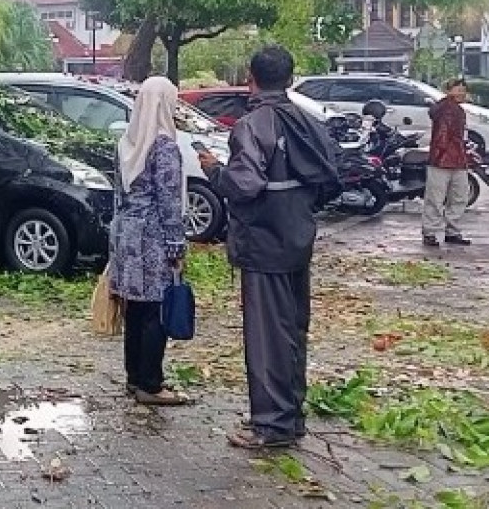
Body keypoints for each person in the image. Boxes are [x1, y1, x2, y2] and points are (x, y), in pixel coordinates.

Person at [197, 46, 339, 449]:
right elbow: (329, 181)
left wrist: (214, 171)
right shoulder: (310, 123)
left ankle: (271, 426)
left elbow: (244, 185)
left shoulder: (252, 124)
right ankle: (291, 417)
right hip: (298, 239)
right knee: (293, 330)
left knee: (266, 336)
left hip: (263, 244)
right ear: (291, 80)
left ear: (251, 79)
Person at [108, 76, 190, 406]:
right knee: (156, 309)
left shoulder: (128, 142)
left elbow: (118, 194)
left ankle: (134, 376)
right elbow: (169, 200)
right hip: (153, 236)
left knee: (136, 310)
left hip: (126, 233)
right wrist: (176, 245)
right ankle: (151, 384)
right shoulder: (164, 146)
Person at [422, 78, 472, 247]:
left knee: (448, 198)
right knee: (447, 198)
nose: (462, 93)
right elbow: (444, 136)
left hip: (452, 158)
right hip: (445, 159)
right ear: (449, 90)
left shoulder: (451, 109)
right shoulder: (447, 109)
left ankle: (439, 231)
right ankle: (441, 231)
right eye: (458, 89)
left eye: (463, 90)